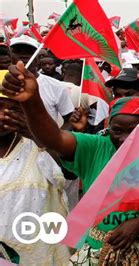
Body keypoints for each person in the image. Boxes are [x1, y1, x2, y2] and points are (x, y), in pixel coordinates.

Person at [2, 62, 139, 263]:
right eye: (117, 130)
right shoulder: (95, 147)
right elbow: (53, 138)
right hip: (98, 249)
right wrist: (32, 101)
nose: (124, 138)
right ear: (108, 126)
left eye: (134, 130)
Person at [0, 71, 71, 265]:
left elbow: (69, 172)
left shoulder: (38, 146)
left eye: (14, 109)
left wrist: (36, 136)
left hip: (40, 255)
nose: (4, 115)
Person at [9, 35, 74, 128]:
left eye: (29, 51)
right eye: (17, 51)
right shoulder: (2, 82)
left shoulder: (56, 86)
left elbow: (69, 120)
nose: (23, 55)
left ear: (38, 58)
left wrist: (56, 140)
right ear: (10, 55)